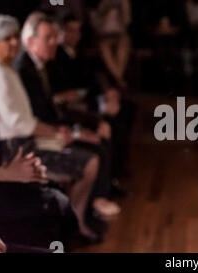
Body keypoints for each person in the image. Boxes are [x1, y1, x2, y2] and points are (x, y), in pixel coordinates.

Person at [0, 14, 100, 242]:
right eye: (8, 39)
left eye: (16, 37)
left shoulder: (6, 70)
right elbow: (21, 123)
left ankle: (74, 225)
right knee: (88, 162)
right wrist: (57, 134)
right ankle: (73, 227)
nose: (15, 43)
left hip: (22, 143)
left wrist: (61, 134)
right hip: (15, 150)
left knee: (85, 153)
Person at [14, 12, 121, 218]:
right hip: (34, 142)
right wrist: (73, 132)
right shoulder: (24, 70)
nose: (55, 42)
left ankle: (88, 208)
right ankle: (80, 216)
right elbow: (33, 119)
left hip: (53, 127)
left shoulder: (38, 65)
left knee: (100, 138)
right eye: (48, 38)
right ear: (30, 40)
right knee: (94, 151)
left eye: (55, 37)